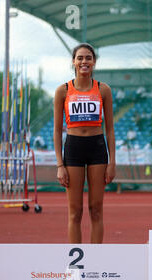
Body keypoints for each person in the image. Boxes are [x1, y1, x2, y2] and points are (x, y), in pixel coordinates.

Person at [53, 43, 116, 244]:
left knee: (96, 210)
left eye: (88, 58)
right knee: (75, 212)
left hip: (97, 148)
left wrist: (112, 162)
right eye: (80, 58)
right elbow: (56, 130)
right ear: (73, 62)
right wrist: (60, 165)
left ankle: (95, 259)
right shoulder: (63, 91)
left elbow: (110, 129)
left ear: (94, 62)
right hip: (73, 149)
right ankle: (75, 265)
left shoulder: (103, 89)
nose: (84, 62)